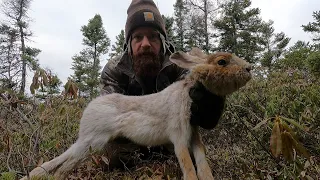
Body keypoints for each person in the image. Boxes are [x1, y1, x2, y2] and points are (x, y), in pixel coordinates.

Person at [99, 0, 225, 169]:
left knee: (188, 154)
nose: (145, 44)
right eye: (138, 37)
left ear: (163, 41)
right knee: (114, 157)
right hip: (131, 138)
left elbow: (195, 113)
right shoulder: (114, 70)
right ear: (128, 44)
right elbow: (107, 117)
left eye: (152, 36)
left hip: (170, 136)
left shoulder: (179, 66)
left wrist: (209, 102)